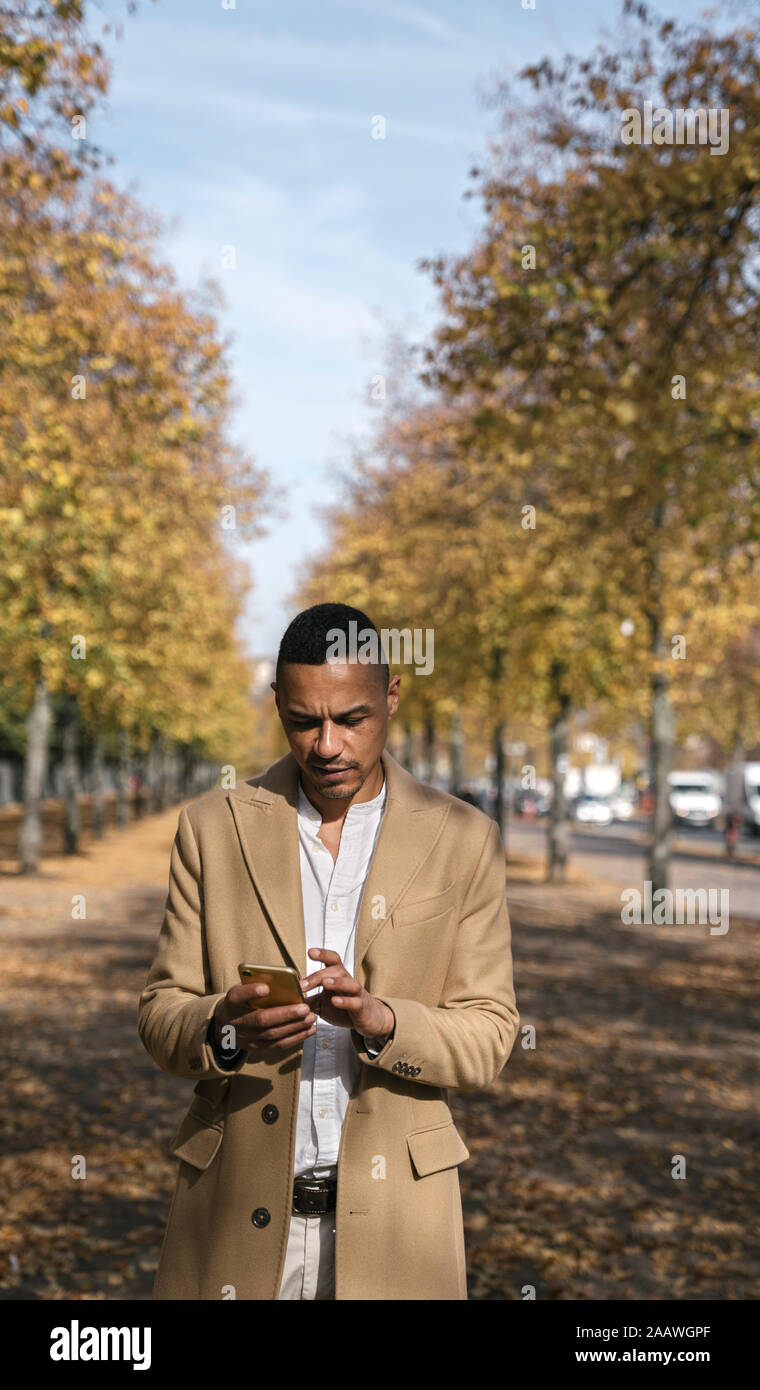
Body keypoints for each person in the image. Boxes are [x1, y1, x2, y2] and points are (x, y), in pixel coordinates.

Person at [138, 602, 519, 1300]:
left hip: (400, 1236)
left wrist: (384, 1022)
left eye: (351, 719)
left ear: (392, 697)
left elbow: (491, 1032)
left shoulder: (464, 839)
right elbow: (160, 1013)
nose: (326, 746)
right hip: (233, 1226)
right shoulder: (210, 829)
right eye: (303, 720)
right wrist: (223, 1025)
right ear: (278, 704)